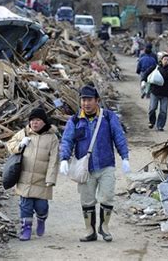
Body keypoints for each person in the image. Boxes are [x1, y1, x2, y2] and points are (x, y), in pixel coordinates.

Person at [59, 85, 130, 242]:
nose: (86, 103)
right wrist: (64, 158)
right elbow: (67, 140)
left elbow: (118, 136)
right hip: (86, 168)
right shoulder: (75, 120)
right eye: (83, 100)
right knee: (87, 200)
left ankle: (104, 227)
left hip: (106, 165)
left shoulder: (108, 117)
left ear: (97, 101)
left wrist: (124, 156)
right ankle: (89, 231)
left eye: (89, 100)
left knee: (107, 197)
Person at [6, 107, 59, 241]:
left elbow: (54, 159)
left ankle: (41, 219)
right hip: (24, 177)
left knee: (41, 206)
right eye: (32, 120)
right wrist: (19, 145)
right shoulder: (24, 133)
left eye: (38, 120)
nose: (34, 123)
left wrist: (51, 178)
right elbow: (10, 144)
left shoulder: (52, 138)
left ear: (44, 122)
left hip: (42, 179)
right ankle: (26, 228)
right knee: (25, 205)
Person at [142, 53, 168, 131]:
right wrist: (143, 80)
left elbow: (166, 75)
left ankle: (160, 126)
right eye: (164, 59)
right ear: (161, 60)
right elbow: (146, 73)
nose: (166, 61)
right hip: (155, 92)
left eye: (167, 60)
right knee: (152, 108)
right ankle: (152, 122)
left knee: (163, 111)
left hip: (165, 93)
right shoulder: (155, 67)